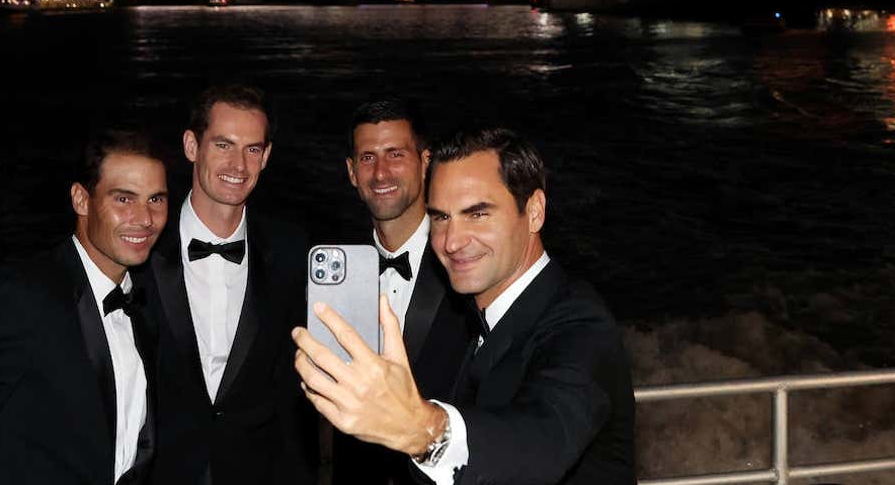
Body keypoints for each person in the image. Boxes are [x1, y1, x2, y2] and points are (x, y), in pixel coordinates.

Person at [293, 127, 636, 485]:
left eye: (477, 214)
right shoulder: (474, 317)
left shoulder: (581, 324)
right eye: (440, 217)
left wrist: (421, 429)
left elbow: (542, 441)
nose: (451, 241)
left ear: (534, 211)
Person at [0, 126, 170, 485]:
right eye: (124, 199)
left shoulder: (148, 303)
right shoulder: (16, 298)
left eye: (156, 199)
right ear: (81, 200)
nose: (145, 219)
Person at [142, 84, 314, 485]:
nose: (238, 164)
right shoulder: (141, 246)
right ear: (191, 146)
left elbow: (293, 387)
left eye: (252, 149)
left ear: (266, 157)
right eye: (223, 145)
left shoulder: (292, 251)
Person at [332, 98, 475, 484]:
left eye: (395, 154)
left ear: (425, 162)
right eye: (367, 158)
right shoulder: (334, 274)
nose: (380, 173)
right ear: (351, 172)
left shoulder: (468, 263)